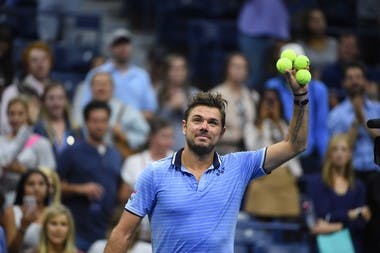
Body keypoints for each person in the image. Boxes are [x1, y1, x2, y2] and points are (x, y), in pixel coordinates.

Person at [104, 66, 310, 252]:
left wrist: (300, 95)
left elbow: (295, 145)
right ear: (184, 127)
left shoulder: (238, 166)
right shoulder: (154, 173)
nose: (204, 126)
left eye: (212, 122)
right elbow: (122, 234)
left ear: (222, 132)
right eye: (197, 120)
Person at [57, 100, 122, 252]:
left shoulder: (115, 154)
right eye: (95, 121)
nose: (100, 126)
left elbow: (118, 189)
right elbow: (54, 185)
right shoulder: (72, 152)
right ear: (86, 122)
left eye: (104, 121)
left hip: (106, 230)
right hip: (77, 231)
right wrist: (79, 189)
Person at [266, 43, 329, 174]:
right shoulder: (272, 86)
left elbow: (321, 127)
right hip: (281, 155)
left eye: (297, 63)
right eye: (291, 63)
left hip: (309, 155)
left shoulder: (319, 89)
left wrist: (325, 158)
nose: (294, 68)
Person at [244, 88, 302, 218]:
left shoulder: (285, 124)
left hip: (285, 176)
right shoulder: (252, 126)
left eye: (273, 100)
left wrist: (277, 122)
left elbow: (292, 147)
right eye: (267, 100)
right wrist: (262, 123)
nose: (270, 104)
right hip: (262, 177)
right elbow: (252, 148)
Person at [307, 134, 370, 253]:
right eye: (335, 149)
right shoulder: (318, 183)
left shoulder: (358, 186)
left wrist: (335, 225)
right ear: (329, 154)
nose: (339, 154)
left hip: (352, 246)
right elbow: (322, 215)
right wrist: (350, 215)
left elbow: (361, 222)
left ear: (350, 154)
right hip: (324, 246)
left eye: (344, 149)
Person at [78, 28, 158, 120]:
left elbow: (150, 110)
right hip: (102, 127)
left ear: (132, 47)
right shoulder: (97, 73)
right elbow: (85, 105)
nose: (123, 47)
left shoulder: (142, 76)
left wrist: (127, 119)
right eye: (118, 44)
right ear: (110, 47)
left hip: (134, 128)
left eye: (126, 43)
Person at [72, 72, 149, 158]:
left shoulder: (125, 111)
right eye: (97, 84)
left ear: (113, 88)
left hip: (116, 160)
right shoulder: (81, 111)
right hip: (87, 157)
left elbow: (145, 134)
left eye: (105, 84)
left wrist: (124, 136)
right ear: (91, 88)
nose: (101, 88)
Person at [0, 97, 56, 206]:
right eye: (12, 114)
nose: (15, 118)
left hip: (32, 200)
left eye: (20, 114)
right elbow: (5, 160)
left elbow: (49, 174)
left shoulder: (41, 142)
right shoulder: (1, 141)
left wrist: (23, 171)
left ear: (28, 115)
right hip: (4, 199)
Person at [1, 41, 53, 134]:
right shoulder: (13, 91)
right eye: (34, 60)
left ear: (50, 62)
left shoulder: (56, 91)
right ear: (27, 65)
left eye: (44, 59)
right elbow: (4, 125)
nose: (40, 64)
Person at [211, 52, 259, 154]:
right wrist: (237, 135)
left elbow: (255, 124)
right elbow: (210, 128)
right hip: (224, 152)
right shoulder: (216, 95)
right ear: (227, 68)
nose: (239, 71)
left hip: (249, 151)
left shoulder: (252, 95)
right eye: (236, 66)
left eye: (243, 67)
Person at [237, 0, 290, 91]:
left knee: (277, 76)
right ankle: (248, 103)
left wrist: (283, 34)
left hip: (278, 33)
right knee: (253, 77)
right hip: (252, 33)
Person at [1, 170, 51, 252]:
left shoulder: (54, 212)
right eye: (31, 184)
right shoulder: (12, 212)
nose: (36, 188)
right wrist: (23, 226)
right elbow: (11, 250)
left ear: (48, 188)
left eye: (41, 184)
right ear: (22, 188)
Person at [157, 53, 198, 151]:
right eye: (175, 69)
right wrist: (170, 107)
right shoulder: (158, 93)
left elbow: (198, 122)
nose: (179, 72)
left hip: (190, 150)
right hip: (164, 151)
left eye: (182, 68)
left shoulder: (195, 94)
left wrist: (184, 107)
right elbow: (155, 125)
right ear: (167, 71)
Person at [34, 83, 76, 160]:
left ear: (66, 100)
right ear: (44, 101)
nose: (56, 103)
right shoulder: (37, 129)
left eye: (60, 98)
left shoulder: (75, 129)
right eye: (51, 98)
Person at [298, 8, 338, 78]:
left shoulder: (335, 43)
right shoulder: (300, 46)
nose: (318, 22)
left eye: (321, 19)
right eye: (313, 20)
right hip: (308, 84)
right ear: (307, 23)